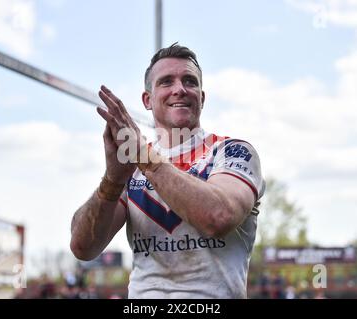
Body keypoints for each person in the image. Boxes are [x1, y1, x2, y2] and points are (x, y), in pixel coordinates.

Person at [70, 43, 265, 299]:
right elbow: (83, 247)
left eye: (189, 81)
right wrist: (112, 180)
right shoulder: (132, 163)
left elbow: (218, 217)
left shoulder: (231, 151)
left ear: (202, 98)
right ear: (147, 100)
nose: (179, 89)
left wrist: (145, 158)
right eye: (166, 82)